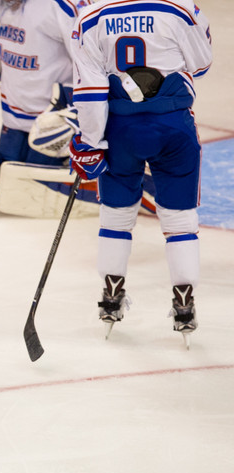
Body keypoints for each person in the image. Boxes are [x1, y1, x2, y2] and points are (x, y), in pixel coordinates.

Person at [68, 0, 212, 342]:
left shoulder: (89, 17)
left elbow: (90, 91)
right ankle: (184, 303)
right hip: (173, 126)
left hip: (120, 132)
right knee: (179, 219)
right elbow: (202, 64)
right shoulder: (179, 8)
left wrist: (90, 142)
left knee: (115, 215)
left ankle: (110, 297)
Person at [0, 0, 81, 206]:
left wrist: (83, 114)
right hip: (13, 114)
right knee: (4, 183)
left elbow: (97, 59)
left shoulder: (61, 6)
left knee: (32, 190)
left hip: (58, 118)